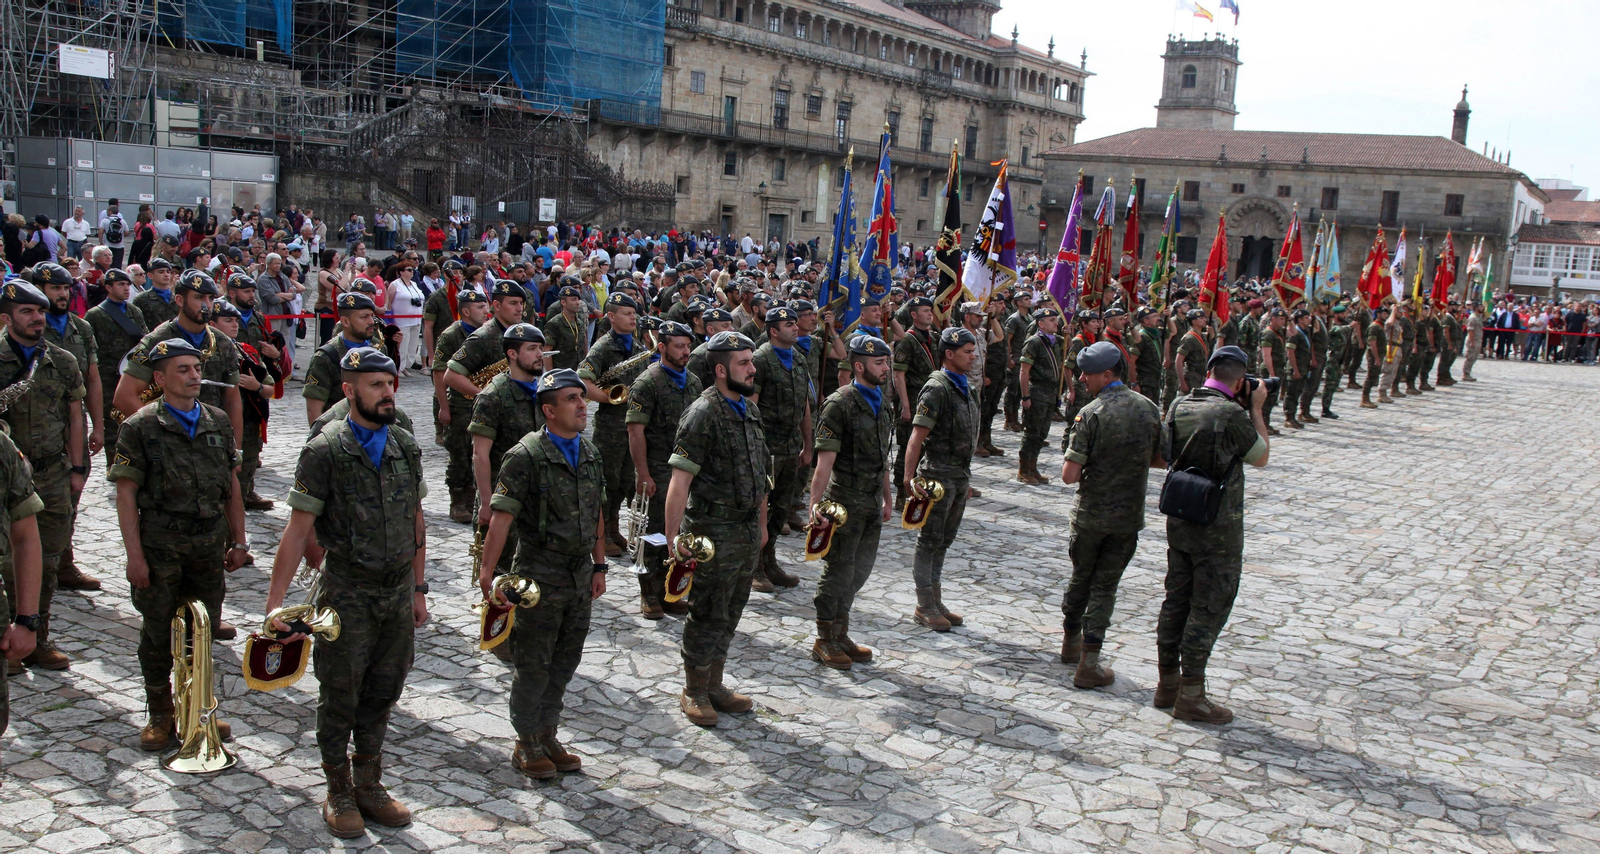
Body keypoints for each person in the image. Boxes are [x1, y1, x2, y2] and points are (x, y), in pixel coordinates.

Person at [266, 347, 426, 838]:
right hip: (347, 592)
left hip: (396, 592)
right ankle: (337, 788)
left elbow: (416, 521)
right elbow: (297, 531)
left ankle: (369, 783)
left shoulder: (404, 444)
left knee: (383, 689)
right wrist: (275, 604)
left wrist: (419, 588)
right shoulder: (325, 449)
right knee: (340, 692)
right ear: (349, 389)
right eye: (376, 385)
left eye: (391, 383)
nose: (387, 393)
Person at [107, 338, 248, 750]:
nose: (193, 376)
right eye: (182, 370)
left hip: (207, 543)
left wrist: (239, 539)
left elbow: (231, 486)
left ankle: (199, 708)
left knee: (201, 631)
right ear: (160, 378)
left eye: (196, 369)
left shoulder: (217, 421)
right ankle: (161, 711)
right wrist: (135, 556)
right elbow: (126, 494)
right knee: (156, 631)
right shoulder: (141, 426)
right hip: (160, 545)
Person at [474, 365, 607, 776]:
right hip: (537, 575)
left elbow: (597, 512)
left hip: (578, 576)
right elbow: (501, 518)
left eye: (582, 397)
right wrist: (487, 574)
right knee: (533, 663)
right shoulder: (525, 455)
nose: (582, 404)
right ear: (549, 410)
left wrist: (599, 564)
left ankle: (548, 731)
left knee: (566, 660)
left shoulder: (589, 451)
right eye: (572, 399)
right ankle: (526, 740)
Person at [1156, 344, 1270, 724]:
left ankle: (1167, 684)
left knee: (1176, 599)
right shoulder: (1232, 412)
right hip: (1217, 526)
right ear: (1240, 381)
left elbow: (1163, 453)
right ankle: (1192, 694)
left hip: (1181, 516)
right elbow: (1261, 456)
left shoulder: (1178, 405)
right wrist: (1255, 408)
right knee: (1209, 605)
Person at [662, 331, 770, 727]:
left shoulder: (749, 410)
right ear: (722, 369)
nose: (752, 368)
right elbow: (680, 480)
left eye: (751, 361)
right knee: (707, 612)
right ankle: (693, 688)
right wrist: (675, 540)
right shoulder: (702, 413)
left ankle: (715, 683)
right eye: (744, 363)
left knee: (732, 611)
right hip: (711, 530)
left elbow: (760, 474)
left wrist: (761, 525)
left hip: (742, 531)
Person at [1058, 341, 1165, 687]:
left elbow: (1069, 475)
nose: (1082, 379)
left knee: (1081, 578)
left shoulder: (1091, 413)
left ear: (1107, 374)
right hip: (1126, 517)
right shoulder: (1148, 409)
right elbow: (1161, 460)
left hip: (1090, 515)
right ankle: (1089, 660)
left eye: (1088, 374)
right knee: (1105, 587)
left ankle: (1071, 644)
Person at [0, 280, 87, 674]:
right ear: (6, 318)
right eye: (26, 312)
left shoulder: (62, 361)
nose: (37, 319)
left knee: (47, 559)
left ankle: (37, 635)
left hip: (51, 471)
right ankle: (7, 640)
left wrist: (78, 466)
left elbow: (74, 414)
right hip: (6, 476)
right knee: (7, 560)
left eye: (40, 311)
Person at [807, 334, 894, 669]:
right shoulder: (839, 404)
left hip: (871, 500)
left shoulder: (881, 401)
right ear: (859, 366)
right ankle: (824, 637)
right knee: (838, 572)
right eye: (878, 363)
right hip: (844, 501)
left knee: (860, 571)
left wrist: (887, 497)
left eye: (886, 362)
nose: (885, 368)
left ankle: (841, 631)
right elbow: (824, 462)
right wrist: (816, 506)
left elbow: (883, 455)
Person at [900, 326, 980, 631]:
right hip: (936, 476)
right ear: (949, 354)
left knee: (944, 541)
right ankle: (924, 604)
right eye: (967, 352)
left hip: (958, 476)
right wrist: (910, 479)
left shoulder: (964, 385)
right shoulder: (938, 387)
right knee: (929, 540)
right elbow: (916, 437)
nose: (973, 357)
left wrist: (966, 479)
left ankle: (936, 597)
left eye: (974, 351)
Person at [116, 270, 244, 457]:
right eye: (199, 297)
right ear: (179, 300)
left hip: (211, 443)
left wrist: (235, 449)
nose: (206, 305)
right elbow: (124, 396)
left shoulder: (222, 342)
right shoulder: (157, 341)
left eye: (210, 298)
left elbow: (233, 399)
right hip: (170, 448)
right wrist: (163, 432)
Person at [625, 320, 701, 619]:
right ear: (661, 347)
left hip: (684, 470)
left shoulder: (693, 381)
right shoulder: (648, 382)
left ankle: (670, 590)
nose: (685, 352)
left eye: (687, 346)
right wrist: (643, 474)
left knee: (679, 533)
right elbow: (635, 431)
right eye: (679, 346)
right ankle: (648, 593)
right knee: (651, 534)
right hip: (656, 469)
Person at [36, 263, 104, 592]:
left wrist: (99, 425)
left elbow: (93, 378)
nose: (62, 294)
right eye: (54, 289)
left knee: (69, 500)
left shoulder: (81, 327)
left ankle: (63, 562)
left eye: (65, 289)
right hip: (35, 429)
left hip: (72, 429)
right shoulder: (29, 327)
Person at [468, 322, 549, 583]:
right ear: (512, 354)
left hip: (538, 495)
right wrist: (485, 502)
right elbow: (480, 454)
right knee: (501, 577)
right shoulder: (493, 396)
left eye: (541, 348)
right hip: (504, 496)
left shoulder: (545, 391)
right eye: (532, 348)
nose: (540, 354)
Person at [577, 293, 646, 556]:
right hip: (610, 427)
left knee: (625, 480)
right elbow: (583, 380)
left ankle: (613, 526)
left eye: (634, 313)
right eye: (627, 313)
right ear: (611, 317)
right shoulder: (603, 347)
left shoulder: (638, 347)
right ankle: (600, 533)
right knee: (606, 481)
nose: (632, 317)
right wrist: (609, 398)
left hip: (632, 426)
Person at [750, 305, 812, 592]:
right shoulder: (760, 360)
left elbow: (805, 405)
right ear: (773, 331)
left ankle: (770, 559)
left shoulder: (798, 359)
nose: (795, 327)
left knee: (780, 509)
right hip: (767, 447)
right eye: (789, 324)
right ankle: (755, 566)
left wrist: (808, 444)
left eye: (795, 322)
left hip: (791, 447)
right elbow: (752, 406)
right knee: (759, 509)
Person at [86, 269, 149, 466]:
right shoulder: (95, 315)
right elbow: (89, 347)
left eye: (127, 285)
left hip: (131, 373)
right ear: (108, 287)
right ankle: (113, 464)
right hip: (107, 375)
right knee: (111, 421)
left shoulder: (134, 311)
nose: (125, 288)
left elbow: (144, 339)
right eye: (121, 285)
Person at [303, 293, 380, 426]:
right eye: (364, 317)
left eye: (372, 316)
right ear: (345, 321)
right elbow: (314, 409)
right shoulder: (326, 357)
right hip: (341, 434)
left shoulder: (378, 349)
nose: (371, 321)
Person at [891, 297, 939, 510]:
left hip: (931, 400)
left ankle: (922, 489)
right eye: (925, 310)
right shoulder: (907, 340)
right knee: (907, 448)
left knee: (927, 447)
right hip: (912, 398)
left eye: (931, 310)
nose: (930, 314)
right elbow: (899, 374)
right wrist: (905, 406)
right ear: (913, 314)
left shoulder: (933, 338)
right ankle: (902, 492)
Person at [1016, 307, 1063, 485]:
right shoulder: (1034, 342)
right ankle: (1023, 469)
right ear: (1041, 324)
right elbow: (1024, 371)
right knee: (1032, 433)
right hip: (1037, 391)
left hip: (1050, 393)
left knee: (1042, 433)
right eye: (1052, 320)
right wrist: (1025, 396)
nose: (1056, 322)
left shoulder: (1054, 341)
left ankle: (1033, 467)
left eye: (1055, 319)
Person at [541, 282, 590, 372]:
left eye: (578, 299)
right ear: (563, 302)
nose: (577, 303)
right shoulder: (554, 323)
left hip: (578, 370)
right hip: (561, 372)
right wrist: (551, 375)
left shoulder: (579, 323)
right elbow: (547, 352)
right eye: (573, 300)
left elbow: (584, 346)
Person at [134, 258, 180, 329]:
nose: (166, 275)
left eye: (168, 272)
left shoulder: (178, 298)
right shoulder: (141, 300)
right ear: (150, 275)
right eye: (161, 272)